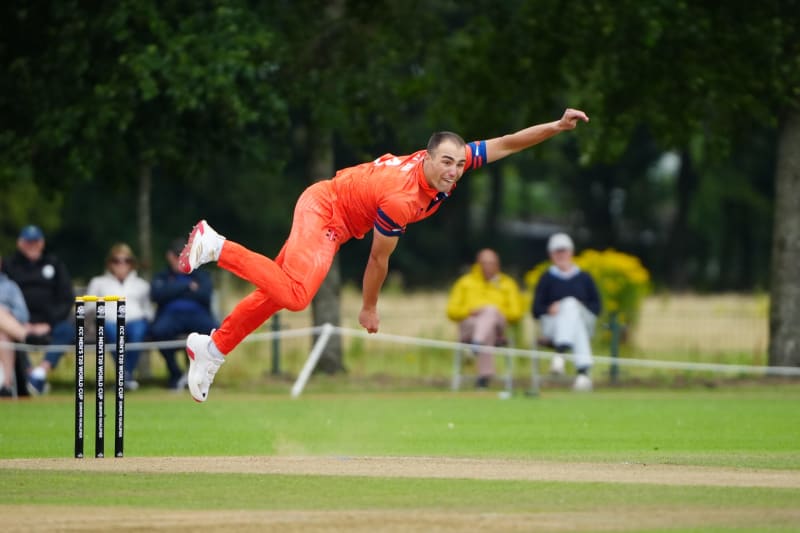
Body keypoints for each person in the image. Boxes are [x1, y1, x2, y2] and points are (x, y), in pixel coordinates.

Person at [176, 108, 589, 402]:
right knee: (298, 296)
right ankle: (217, 245)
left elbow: (506, 143)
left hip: (333, 218)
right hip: (325, 211)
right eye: (446, 162)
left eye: (461, 164)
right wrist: (368, 307)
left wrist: (556, 125)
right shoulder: (401, 199)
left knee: (274, 293)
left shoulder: (447, 171)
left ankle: (211, 349)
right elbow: (378, 259)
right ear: (427, 158)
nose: (455, 171)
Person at [1, 225, 75, 394]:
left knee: (68, 329)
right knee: (6, 333)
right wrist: (21, 322)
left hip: (50, 321)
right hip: (19, 321)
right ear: (20, 243)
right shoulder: (10, 266)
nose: (32, 245)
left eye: (35, 242)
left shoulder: (54, 264)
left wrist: (49, 323)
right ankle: (21, 379)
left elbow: (66, 298)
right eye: (28, 242)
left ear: (42, 243)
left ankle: (39, 374)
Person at [532, 232, 602, 391]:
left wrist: (577, 307)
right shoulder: (546, 278)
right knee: (572, 312)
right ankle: (583, 374)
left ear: (571, 252)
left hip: (584, 321)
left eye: (563, 250)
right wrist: (549, 308)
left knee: (572, 306)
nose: (561, 255)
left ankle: (560, 354)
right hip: (552, 326)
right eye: (557, 251)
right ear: (551, 255)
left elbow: (596, 307)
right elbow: (535, 310)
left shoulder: (584, 278)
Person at [446, 249, 523, 388]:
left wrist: (493, 312)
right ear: (478, 264)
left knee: (490, 312)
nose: (488, 266)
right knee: (486, 326)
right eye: (484, 263)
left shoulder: (507, 283)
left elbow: (516, 313)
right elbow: (451, 311)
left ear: (497, 265)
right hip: (470, 325)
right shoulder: (465, 283)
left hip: (499, 327)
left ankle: (475, 347)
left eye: (491, 263)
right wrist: (470, 311)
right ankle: (483, 378)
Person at [150, 239, 219, 389]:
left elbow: (205, 294)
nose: (181, 260)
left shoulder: (201, 275)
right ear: (169, 256)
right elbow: (157, 294)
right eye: (177, 256)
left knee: (214, 332)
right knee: (158, 331)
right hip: (171, 317)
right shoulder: (162, 276)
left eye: (185, 256)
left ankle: (197, 374)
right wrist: (186, 286)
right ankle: (176, 373)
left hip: (197, 316)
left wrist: (172, 290)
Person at [85, 243, 153, 391]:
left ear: (131, 264)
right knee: (113, 333)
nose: (121, 264)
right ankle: (126, 377)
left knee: (138, 332)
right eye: (117, 260)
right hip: (109, 321)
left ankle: (124, 376)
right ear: (110, 263)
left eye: (126, 260)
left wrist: (146, 320)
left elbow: (147, 311)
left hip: (135, 321)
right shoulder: (98, 282)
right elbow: (88, 307)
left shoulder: (142, 285)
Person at [0, 256, 51, 397]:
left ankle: (6, 386)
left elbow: (23, 315)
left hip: (6, 331)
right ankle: (27, 336)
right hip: (15, 329)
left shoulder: (9, 286)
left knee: (3, 335)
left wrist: (9, 313)